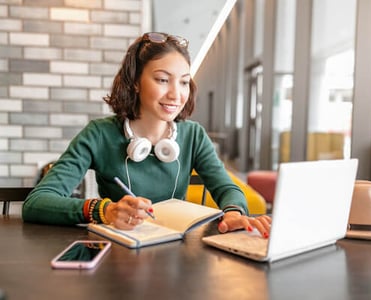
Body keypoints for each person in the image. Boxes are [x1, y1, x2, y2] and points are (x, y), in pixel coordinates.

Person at [22, 32, 271, 238]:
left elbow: (227, 188)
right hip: (119, 257)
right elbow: (37, 203)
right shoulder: (99, 134)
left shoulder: (193, 135)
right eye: (163, 80)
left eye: (184, 82)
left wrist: (235, 213)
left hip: (176, 258)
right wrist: (104, 210)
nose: (176, 95)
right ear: (136, 83)